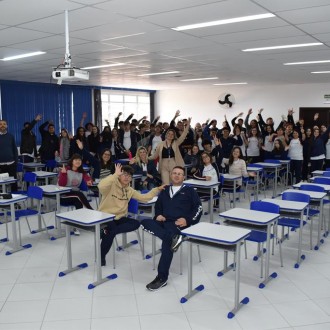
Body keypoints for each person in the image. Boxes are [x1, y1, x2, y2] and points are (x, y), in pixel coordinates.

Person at [141, 166, 203, 291]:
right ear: (171, 175)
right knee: (144, 222)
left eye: (180, 174)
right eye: (174, 173)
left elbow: (199, 208)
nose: (177, 175)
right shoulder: (165, 190)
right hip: (164, 222)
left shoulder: (190, 191)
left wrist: (187, 220)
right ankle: (172, 238)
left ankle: (162, 278)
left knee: (167, 244)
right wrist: (158, 215)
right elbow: (158, 206)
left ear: (183, 177)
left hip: (179, 224)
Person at [98, 164, 165, 266]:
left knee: (135, 223)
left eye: (129, 176)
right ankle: (101, 257)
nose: (127, 177)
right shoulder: (110, 185)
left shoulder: (130, 190)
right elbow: (101, 186)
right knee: (110, 229)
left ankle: (108, 231)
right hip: (106, 216)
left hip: (120, 218)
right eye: (124, 174)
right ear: (119, 175)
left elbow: (144, 198)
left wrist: (157, 189)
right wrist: (115, 175)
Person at [58, 153, 94, 235]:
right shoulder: (66, 169)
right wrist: (63, 174)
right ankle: (91, 211)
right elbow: (61, 185)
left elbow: (88, 179)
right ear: (72, 161)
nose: (78, 161)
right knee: (79, 194)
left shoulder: (82, 172)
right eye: (76, 160)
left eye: (79, 160)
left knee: (79, 202)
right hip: (63, 195)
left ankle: (77, 225)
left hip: (74, 196)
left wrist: (89, 181)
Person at [149, 117, 191, 185]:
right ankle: (166, 195)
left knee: (174, 182)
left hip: (173, 163)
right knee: (165, 184)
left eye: (172, 134)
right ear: (166, 135)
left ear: (174, 136)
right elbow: (155, 156)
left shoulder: (176, 143)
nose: (170, 135)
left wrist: (188, 125)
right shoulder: (160, 144)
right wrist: (146, 158)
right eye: (169, 134)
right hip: (163, 164)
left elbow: (183, 135)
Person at [0, 120, 18, 191]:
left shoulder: (11, 136)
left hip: (11, 164)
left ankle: (15, 200)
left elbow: (14, 149)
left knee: (13, 183)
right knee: (1, 184)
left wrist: (16, 161)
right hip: (1, 165)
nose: (2, 125)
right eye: (0, 124)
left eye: (4, 124)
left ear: (7, 126)